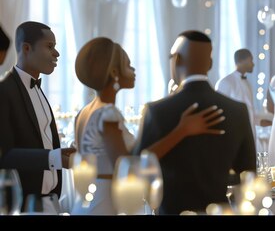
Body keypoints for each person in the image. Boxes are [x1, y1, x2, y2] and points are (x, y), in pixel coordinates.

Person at [71, 37, 225, 215]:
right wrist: (182, 130)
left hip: (87, 199)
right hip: (103, 204)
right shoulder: (108, 113)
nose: (134, 70)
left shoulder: (85, 112)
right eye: (128, 65)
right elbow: (127, 166)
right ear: (114, 72)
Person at [134, 31, 256, 215]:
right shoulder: (237, 111)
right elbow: (248, 175)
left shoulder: (157, 111)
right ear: (210, 64)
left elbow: (135, 168)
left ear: (176, 60)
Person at [0, 21, 75, 214]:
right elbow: (5, 156)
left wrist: (61, 156)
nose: (56, 53)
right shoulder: (4, 91)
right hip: (23, 206)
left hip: (51, 204)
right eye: (50, 46)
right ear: (26, 48)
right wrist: (54, 157)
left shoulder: (40, 92)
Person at [216, 48, 272, 140]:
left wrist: (263, 122)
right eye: (251, 60)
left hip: (249, 134)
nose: (253, 64)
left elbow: (249, 111)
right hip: (233, 134)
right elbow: (220, 111)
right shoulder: (225, 82)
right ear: (241, 61)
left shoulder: (248, 83)